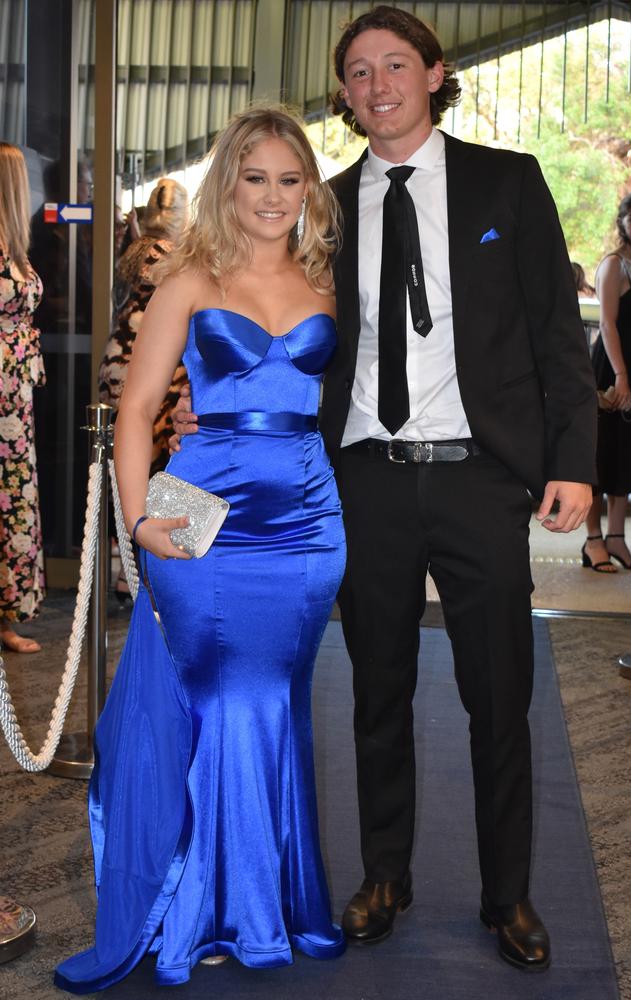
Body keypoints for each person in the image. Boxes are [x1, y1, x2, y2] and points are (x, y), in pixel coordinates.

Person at [173, 7, 596, 972]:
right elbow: (265, 307)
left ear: (436, 73)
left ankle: (508, 895)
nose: (376, 86)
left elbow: (554, 333)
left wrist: (573, 460)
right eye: (357, 72)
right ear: (345, 93)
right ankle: (384, 878)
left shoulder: (508, 181)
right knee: (378, 692)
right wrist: (228, 407)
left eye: (394, 65)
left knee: (500, 693)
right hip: (360, 479)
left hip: (479, 478)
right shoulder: (322, 203)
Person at [54, 106, 346, 992]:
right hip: (201, 508)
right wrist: (140, 522)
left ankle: (274, 901)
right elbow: (138, 411)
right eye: (254, 177)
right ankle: (202, 907)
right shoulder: (188, 276)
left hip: (305, 518)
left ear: (309, 190)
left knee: (275, 702)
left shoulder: (326, 279)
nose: (271, 195)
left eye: (289, 179)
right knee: (214, 698)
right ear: (228, 183)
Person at [99, 178, 189, 472]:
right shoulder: (170, 255)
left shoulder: (136, 247)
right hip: (149, 366)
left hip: (117, 361)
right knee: (150, 467)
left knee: (123, 460)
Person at [582, 193, 631, 574]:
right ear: (621, 223)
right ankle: (593, 541)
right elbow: (607, 324)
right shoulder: (613, 265)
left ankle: (617, 539)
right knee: (602, 454)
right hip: (612, 370)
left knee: (628, 453)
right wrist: (621, 375)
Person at [0, 142, 46, 654]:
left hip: (16, 394)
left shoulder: (15, 245)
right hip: (3, 391)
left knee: (13, 498)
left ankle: (6, 617)